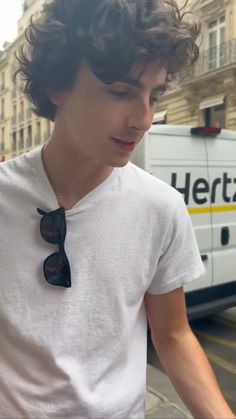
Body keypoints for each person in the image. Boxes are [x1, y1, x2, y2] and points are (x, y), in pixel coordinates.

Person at [0, 0, 235, 418]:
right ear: (58, 85)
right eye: (121, 92)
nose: (143, 119)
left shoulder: (160, 207)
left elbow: (174, 335)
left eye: (155, 94)